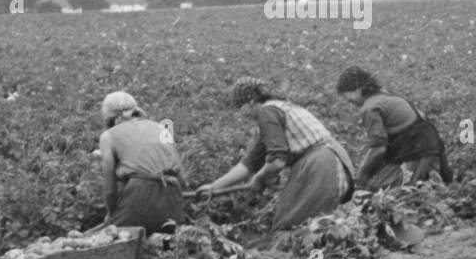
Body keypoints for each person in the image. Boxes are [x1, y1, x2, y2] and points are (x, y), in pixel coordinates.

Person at [198, 78, 355, 230]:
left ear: (252, 102)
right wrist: (213, 188)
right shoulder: (279, 110)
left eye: (241, 108)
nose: (241, 114)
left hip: (321, 165)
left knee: (294, 227)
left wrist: (259, 179)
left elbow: (277, 161)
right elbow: (249, 164)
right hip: (333, 161)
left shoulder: (266, 112)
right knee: (314, 226)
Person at [335, 67, 452, 190]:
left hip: (417, 148)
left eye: (346, 95)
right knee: (433, 187)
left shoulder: (369, 108)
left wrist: (361, 176)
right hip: (430, 143)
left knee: (389, 190)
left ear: (358, 89)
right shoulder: (385, 93)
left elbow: (378, 149)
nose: (347, 100)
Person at [95, 91, 189, 234]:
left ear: (109, 118)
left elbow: (110, 190)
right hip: (172, 193)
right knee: (167, 246)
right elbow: (182, 179)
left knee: (120, 238)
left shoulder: (108, 136)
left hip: (140, 195)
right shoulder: (161, 128)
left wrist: (112, 214)